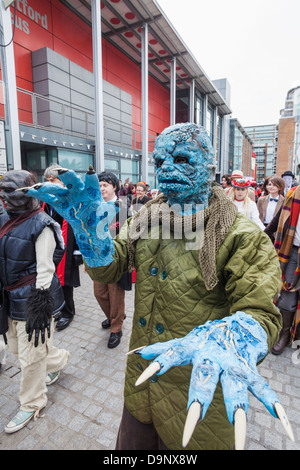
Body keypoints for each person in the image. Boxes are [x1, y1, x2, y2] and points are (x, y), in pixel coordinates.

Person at [26, 123, 293, 450]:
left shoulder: (243, 236)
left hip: (197, 399)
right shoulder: (144, 218)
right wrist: (90, 233)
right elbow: (112, 267)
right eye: (160, 161)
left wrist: (232, 340)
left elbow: (261, 313)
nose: (167, 168)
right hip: (142, 387)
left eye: (180, 158)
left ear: (209, 168)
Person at [0, 170, 69, 433]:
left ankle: (32, 402)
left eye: (11, 191)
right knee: (18, 348)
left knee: (30, 358)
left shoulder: (42, 224)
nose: (6, 197)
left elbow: (45, 270)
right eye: (3, 191)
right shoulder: (5, 219)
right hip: (10, 298)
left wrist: (40, 310)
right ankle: (58, 360)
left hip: (33, 300)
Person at [94, 171, 132, 348]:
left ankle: (116, 328)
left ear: (114, 187)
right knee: (99, 293)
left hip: (117, 260)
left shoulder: (123, 208)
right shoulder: (95, 208)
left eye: (105, 185)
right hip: (98, 260)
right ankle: (115, 315)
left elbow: (129, 236)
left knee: (116, 295)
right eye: (99, 185)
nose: (102, 189)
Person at [43, 164, 82, 331]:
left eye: (54, 180)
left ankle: (68, 312)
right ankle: (58, 308)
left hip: (68, 247)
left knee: (66, 282)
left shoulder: (72, 200)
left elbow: (79, 227)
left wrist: (77, 251)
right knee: (53, 280)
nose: (50, 183)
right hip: (50, 248)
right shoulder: (45, 201)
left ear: (63, 182)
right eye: (48, 180)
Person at [271, 184, 300, 355]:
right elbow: (278, 219)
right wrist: (264, 233)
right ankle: (283, 335)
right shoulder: (292, 194)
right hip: (292, 252)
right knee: (287, 297)